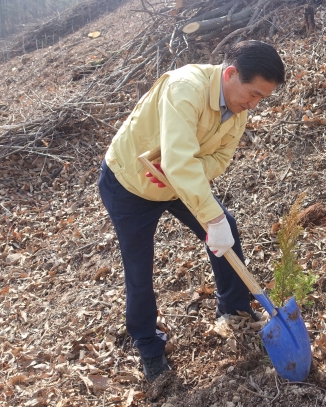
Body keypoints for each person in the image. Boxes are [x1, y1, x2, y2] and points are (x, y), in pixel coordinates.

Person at [98, 40, 285, 383]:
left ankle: (234, 310)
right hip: (129, 184)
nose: (254, 105)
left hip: (176, 182)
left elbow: (219, 159)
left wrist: (184, 174)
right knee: (140, 270)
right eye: (254, 93)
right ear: (230, 74)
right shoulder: (186, 88)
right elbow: (180, 160)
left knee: (225, 227)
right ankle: (149, 348)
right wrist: (187, 179)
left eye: (263, 99)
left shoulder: (238, 110)